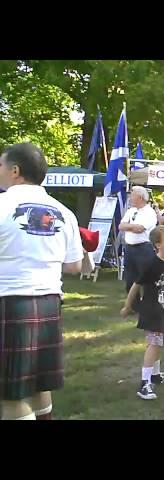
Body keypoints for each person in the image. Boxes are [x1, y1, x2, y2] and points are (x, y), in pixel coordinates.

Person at [0, 143, 83, 420]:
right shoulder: (64, 212)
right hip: (49, 301)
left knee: (9, 394)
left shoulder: (2, 206)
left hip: (10, 301)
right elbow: (74, 266)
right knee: (38, 383)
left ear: (15, 171)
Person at [121, 225, 164, 400]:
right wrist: (127, 306)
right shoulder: (151, 264)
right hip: (152, 310)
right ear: (157, 245)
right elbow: (136, 285)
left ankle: (155, 375)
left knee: (160, 342)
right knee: (154, 344)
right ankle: (144, 383)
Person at [120, 186, 158, 312]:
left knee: (146, 278)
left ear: (140, 197)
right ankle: (135, 306)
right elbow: (121, 226)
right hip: (129, 248)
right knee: (130, 278)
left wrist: (128, 226)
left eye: (132, 195)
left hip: (143, 248)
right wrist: (131, 226)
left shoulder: (149, 212)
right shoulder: (130, 211)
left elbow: (140, 229)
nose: (130, 197)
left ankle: (149, 304)